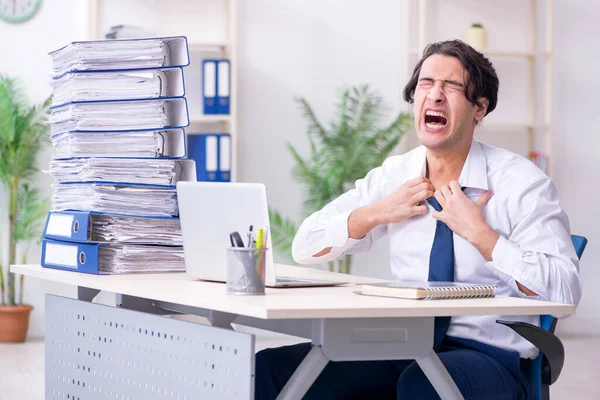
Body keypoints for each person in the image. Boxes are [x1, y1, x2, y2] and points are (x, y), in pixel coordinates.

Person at [254, 39, 582, 400]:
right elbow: (304, 246)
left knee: (423, 384)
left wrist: (482, 236)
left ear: (480, 108)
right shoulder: (396, 174)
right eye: (426, 83)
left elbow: (565, 292)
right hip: (403, 344)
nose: (435, 95)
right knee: (274, 370)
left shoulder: (521, 183)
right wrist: (376, 212)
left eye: (452, 86)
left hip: (490, 356)